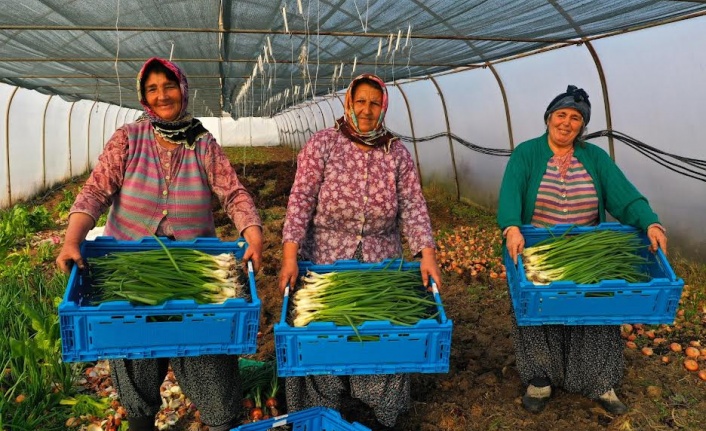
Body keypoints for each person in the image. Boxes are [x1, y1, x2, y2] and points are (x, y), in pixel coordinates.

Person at [55, 57, 264, 431]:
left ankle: (219, 419)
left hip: (195, 267)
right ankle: (139, 420)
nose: (162, 95)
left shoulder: (202, 142)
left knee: (207, 355)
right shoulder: (128, 138)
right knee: (136, 357)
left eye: (168, 86)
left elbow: (233, 193)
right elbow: (96, 190)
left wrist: (253, 233)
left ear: (181, 89)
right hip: (129, 268)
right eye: (152, 88)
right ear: (144, 96)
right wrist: (72, 240)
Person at [277, 73, 442, 430]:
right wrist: (290, 254)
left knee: (377, 337)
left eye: (375, 102)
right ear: (348, 103)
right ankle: (322, 412)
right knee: (324, 338)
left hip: (380, 265)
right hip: (324, 262)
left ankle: (376, 414)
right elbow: (301, 200)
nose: (367, 110)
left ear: (384, 106)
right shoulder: (322, 144)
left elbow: (413, 205)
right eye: (360, 101)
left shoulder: (396, 152)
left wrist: (426, 253)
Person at [497, 85, 668, 415]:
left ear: (582, 126)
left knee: (596, 315)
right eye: (561, 115)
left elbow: (624, 196)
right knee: (537, 317)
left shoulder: (595, 158)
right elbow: (510, 195)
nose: (567, 123)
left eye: (576, 118)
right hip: (538, 254)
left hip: (589, 252)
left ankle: (600, 382)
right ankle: (540, 380)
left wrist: (650, 222)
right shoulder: (526, 153)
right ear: (548, 118)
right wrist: (511, 226)